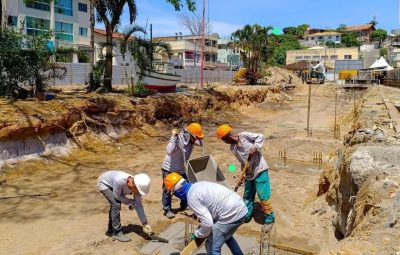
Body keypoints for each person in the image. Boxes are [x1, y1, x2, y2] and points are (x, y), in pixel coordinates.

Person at [164, 173, 247, 255]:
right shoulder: (197, 185)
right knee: (225, 236)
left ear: (178, 192)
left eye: (174, 193)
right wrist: (203, 229)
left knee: (212, 245)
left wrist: (198, 234)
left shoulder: (192, 197)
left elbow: (208, 223)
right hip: (240, 207)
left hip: (231, 214)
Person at [216, 124, 275, 233]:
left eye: (224, 139)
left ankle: (269, 219)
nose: (224, 142)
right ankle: (247, 215)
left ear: (228, 136)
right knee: (247, 195)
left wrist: (255, 147)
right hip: (249, 172)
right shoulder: (233, 148)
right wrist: (242, 174)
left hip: (260, 168)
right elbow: (243, 162)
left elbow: (260, 136)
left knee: (263, 196)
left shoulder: (244, 136)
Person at [161, 123, 204, 219]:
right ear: (189, 135)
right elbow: (169, 150)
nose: (195, 140)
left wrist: (200, 136)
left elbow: (200, 143)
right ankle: (167, 209)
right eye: (195, 137)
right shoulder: (178, 139)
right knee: (167, 189)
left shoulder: (191, 141)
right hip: (169, 169)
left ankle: (184, 205)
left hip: (180, 169)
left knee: (187, 187)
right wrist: (173, 137)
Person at [97, 170, 153, 242]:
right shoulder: (120, 181)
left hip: (115, 185)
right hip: (104, 184)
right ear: (133, 185)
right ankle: (117, 233)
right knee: (116, 204)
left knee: (115, 205)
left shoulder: (137, 186)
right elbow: (117, 196)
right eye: (138, 191)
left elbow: (138, 204)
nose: (138, 193)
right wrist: (131, 202)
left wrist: (145, 223)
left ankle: (110, 229)